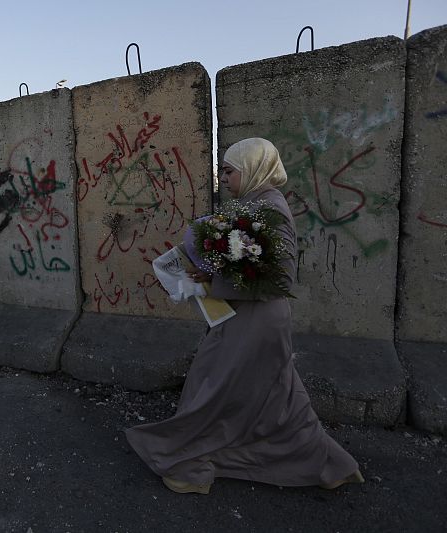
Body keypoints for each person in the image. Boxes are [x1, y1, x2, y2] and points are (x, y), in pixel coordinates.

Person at [125, 137, 364, 495]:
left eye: (229, 171)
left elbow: (280, 278)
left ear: (252, 170)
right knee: (273, 398)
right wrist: (211, 271)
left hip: (257, 320)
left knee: (221, 387)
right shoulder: (256, 203)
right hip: (248, 315)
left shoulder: (271, 208)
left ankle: (192, 461)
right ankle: (329, 465)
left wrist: (217, 280)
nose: (223, 178)